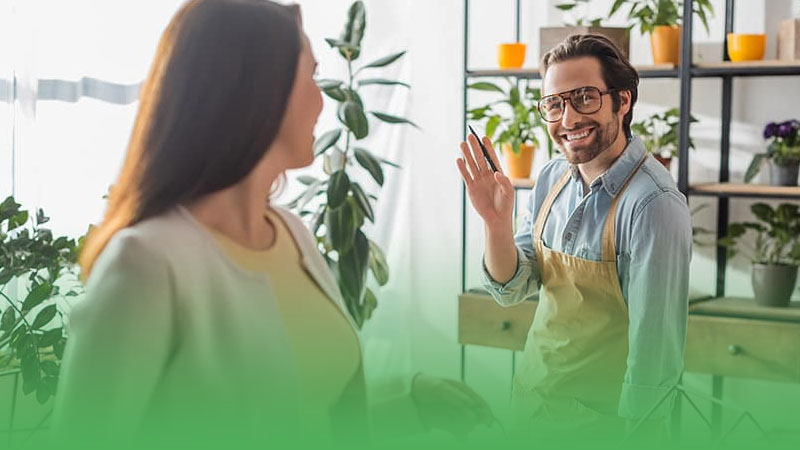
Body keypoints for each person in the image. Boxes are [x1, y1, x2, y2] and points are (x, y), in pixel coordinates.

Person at [52, 0, 490, 448]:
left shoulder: (291, 234)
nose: (324, 100)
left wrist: (412, 404)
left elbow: (305, 415)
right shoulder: (147, 262)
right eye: (312, 76)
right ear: (258, 91)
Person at [456, 34, 691, 443]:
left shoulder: (653, 204)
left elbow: (655, 357)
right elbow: (512, 290)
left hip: (601, 429)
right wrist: (496, 224)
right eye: (554, 104)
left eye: (584, 97)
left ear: (623, 101)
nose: (567, 120)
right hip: (531, 407)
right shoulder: (551, 177)